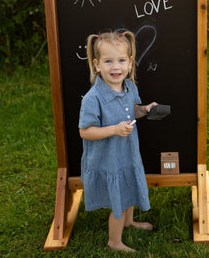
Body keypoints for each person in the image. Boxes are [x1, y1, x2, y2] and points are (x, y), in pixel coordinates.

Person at [78, 31, 156, 252]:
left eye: (121, 60)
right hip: (107, 159)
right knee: (117, 201)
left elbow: (133, 111)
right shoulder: (94, 98)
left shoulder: (130, 87)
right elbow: (85, 131)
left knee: (128, 185)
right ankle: (114, 241)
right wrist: (113, 129)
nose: (116, 67)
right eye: (108, 61)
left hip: (127, 154)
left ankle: (129, 222)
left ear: (130, 63)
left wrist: (145, 109)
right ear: (97, 65)